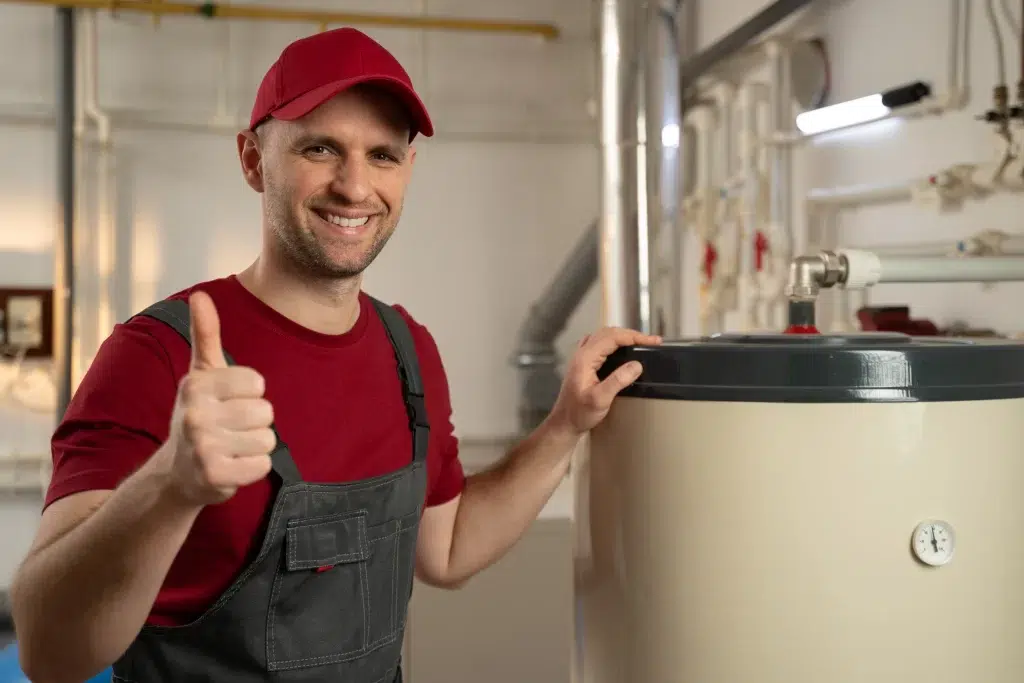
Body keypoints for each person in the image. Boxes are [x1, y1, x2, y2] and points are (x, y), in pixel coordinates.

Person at [9, 26, 660, 683]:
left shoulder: (409, 351)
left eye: (382, 154)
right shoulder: (153, 356)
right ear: (253, 159)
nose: (355, 186)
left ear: (407, 171)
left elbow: (450, 543)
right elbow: (47, 651)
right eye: (320, 147)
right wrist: (169, 486)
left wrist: (565, 425)